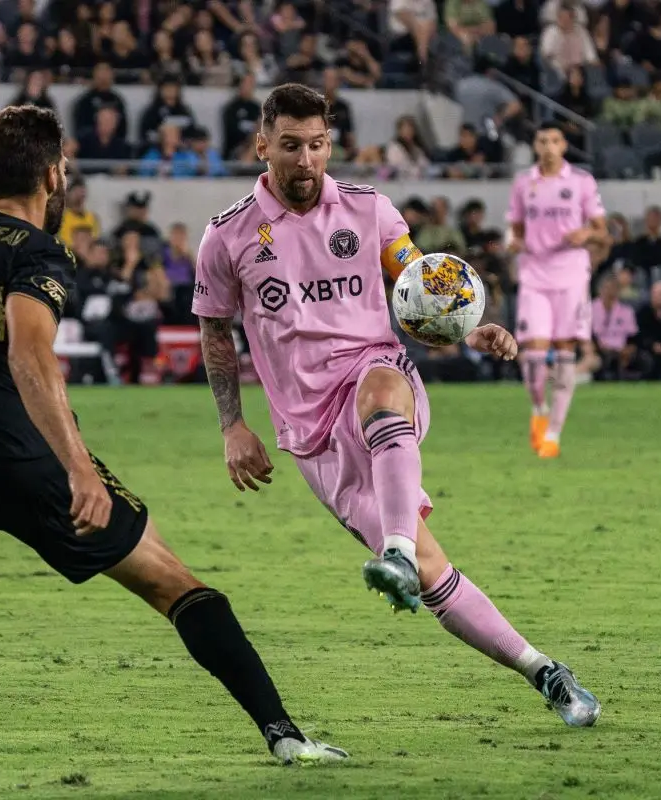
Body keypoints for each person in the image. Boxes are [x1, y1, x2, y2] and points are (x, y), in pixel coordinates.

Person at [0, 105, 346, 766]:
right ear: (54, 175)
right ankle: (284, 735)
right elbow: (29, 358)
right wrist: (79, 469)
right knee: (175, 586)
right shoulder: (37, 250)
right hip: (38, 467)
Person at [192, 84, 601, 728]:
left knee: (381, 388)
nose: (305, 160)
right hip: (311, 433)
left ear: (331, 144)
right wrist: (232, 425)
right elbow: (215, 330)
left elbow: (418, 285)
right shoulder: (227, 237)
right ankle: (542, 670)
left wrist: (469, 327)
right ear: (262, 145)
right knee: (436, 574)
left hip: (378, 376)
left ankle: (397, 554)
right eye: (290, 146)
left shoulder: (369, 210)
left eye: (317, 145)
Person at [507, 122, 607, 458]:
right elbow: (515, 228)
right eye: (542, 140)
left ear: (563, 146)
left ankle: (553, 433)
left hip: (571, 276)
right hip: (535, 275)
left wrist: (586, 234)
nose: (548, 146)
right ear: (535, 146)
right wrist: (513, 242)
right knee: (534, 354)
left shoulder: (581, 182)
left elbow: (602, 231)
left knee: (565, 350)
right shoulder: (524, 183)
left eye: (554, 140)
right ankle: (538, 408)